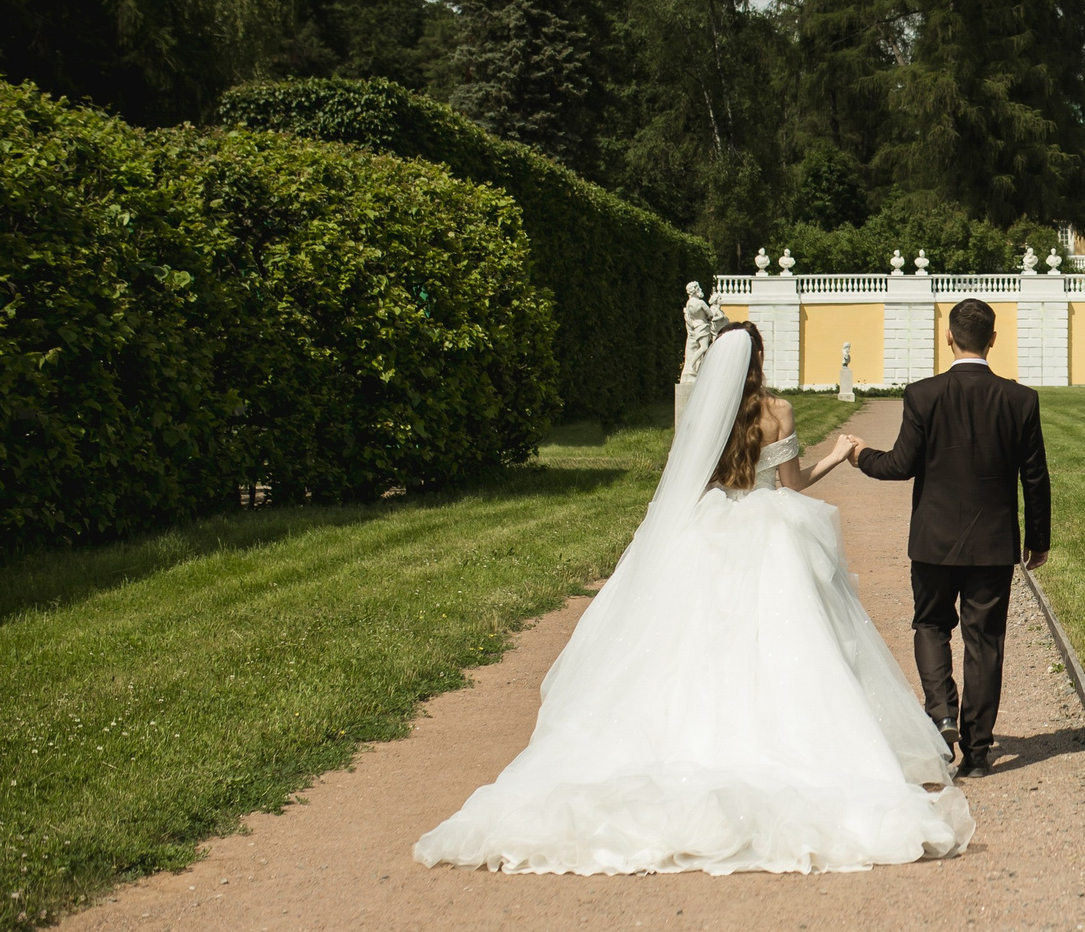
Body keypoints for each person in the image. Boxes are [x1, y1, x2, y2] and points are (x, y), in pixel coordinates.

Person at [414, 323, 973, 874]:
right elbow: (793, 487)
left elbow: (690, 482)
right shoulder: (777, 410)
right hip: (770, 533)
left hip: (709, 529)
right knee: (794, 638)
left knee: (693, 642)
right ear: (758, 359)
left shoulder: (704, 416)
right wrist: (839, 452)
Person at [849, 297, 1050, 778]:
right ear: (993, 341)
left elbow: (900, 465)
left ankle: (941, 712)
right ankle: (978, 752)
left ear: (949, 337)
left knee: (931, 625)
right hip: (994, 542)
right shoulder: (1020, 400)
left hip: (934, 540)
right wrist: (1038, 539)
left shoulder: (923, 394)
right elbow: (1035, 477)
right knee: (986, 642)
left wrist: (859, 456)